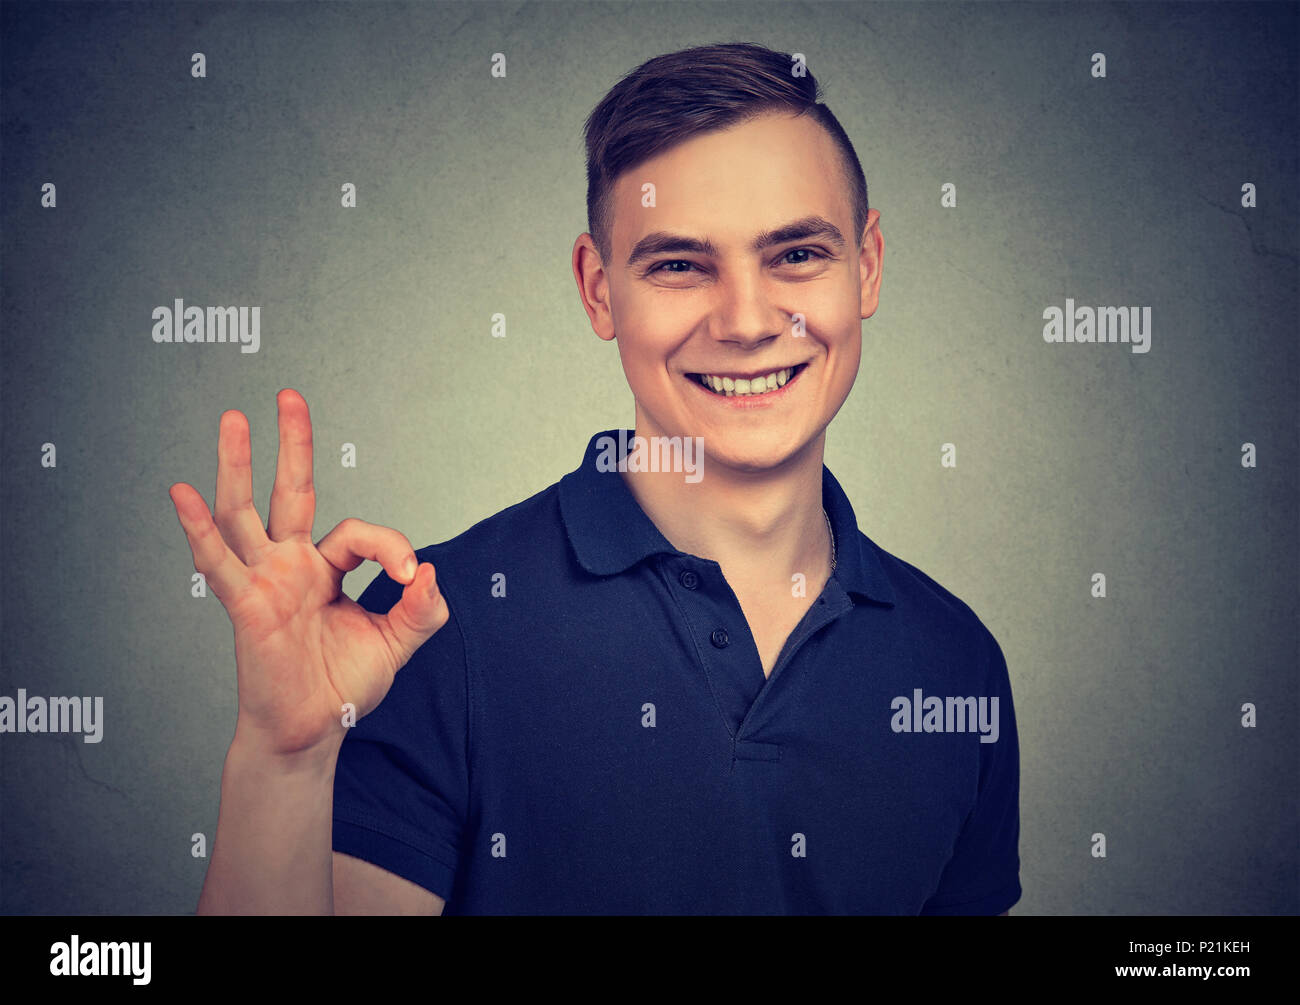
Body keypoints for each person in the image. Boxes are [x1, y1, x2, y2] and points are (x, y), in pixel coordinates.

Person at [170, 42, 1020, 915]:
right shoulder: (424, 629)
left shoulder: (956, 666)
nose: (747, 320)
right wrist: (283, 761)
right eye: (679, 265)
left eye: (797, 254)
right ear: (598, 287)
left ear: (868, 265)